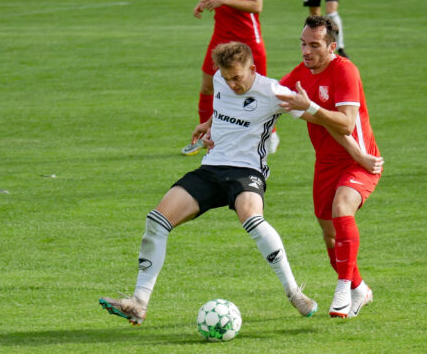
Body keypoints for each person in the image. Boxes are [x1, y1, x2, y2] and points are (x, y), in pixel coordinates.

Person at [99, 42, 319, 325]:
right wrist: (210, 122)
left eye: (237, 78)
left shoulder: (273, 92)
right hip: (212, 168)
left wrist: (313, 108)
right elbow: (227, 106)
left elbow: (321, 119)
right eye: (226, 78)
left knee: (251, 217)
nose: (231, 84)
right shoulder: (220, 79)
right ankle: (139, 303)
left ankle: (294, 293)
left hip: (246, 171)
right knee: (157, 220)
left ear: (252, 69)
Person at [277, 15, 383, 319]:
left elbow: (347, 123)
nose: (306, 51)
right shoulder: (301, 73)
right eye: (303, 44)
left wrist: (309, 108)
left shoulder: (345, 71)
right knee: (329, 235)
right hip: (325, 163)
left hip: (361, 160)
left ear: (332, 46)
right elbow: (272, 95)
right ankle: (360, 288)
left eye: (314, 45)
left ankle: (343, 285)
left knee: (341, 208)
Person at [182, 0, 272, 157]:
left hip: (247, 38)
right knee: (207, 85)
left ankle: (268, 134)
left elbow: (257, 5)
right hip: (221, 34)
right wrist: (204, 0)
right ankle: (206, 137)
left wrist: (224, 1)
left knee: (257, 90)